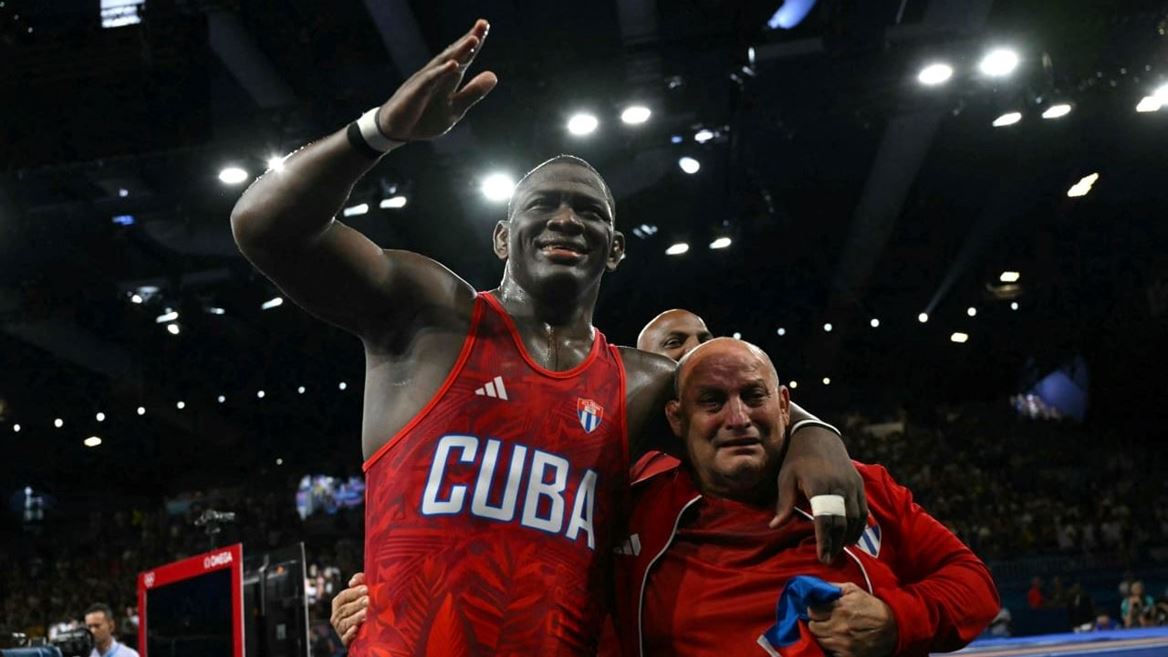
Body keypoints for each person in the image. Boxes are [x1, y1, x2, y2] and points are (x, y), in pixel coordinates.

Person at [230, 18, 864, 657]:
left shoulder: (641, 382)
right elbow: (262, 226)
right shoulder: (430, 316)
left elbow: (743, 403)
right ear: (503, 238)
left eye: (589, 211)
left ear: (615, 249)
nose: (566, 218)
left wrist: (816, 434)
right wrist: (378, 132)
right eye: (543, 205)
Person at [329, 308, 714, 645]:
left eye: (704, 338)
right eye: (675, 343)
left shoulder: (702, 474)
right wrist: (388, 590)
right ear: (649, 372)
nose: (695, 352)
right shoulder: (579, 457)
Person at [609, 339, 998, 657]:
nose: (738, 418)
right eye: (712, 401)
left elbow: (974, 584)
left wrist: (896, 620)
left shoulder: (862, 486)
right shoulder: (636, 514)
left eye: (754, 396)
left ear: (783, 405)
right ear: (677, 418)